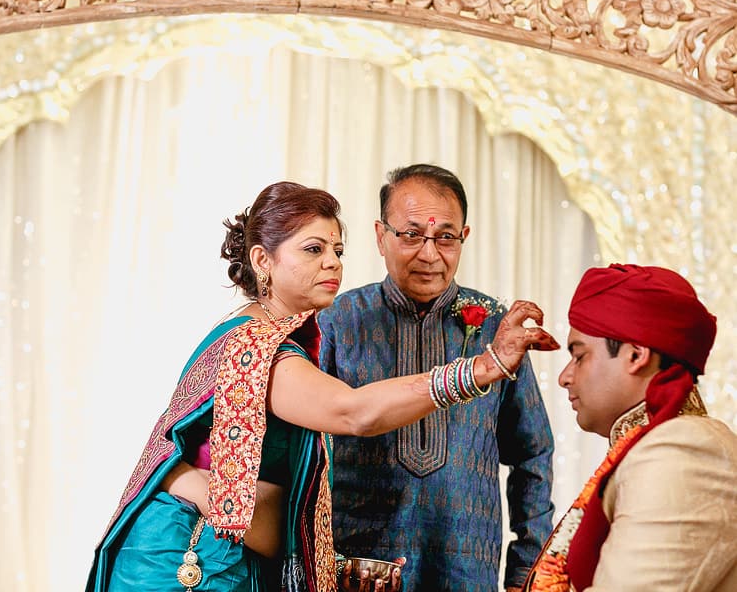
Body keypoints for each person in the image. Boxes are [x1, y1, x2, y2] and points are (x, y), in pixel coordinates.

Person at [86, 181, 560, 592]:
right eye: (313, 250)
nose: (332, 263)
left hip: (230, 553)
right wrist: (480, 369)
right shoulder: (261, 346)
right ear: (262, 260)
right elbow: (353, 412)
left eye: (337, 251)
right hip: (192, 560)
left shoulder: (270, 334)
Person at [317, 164, 556, 592]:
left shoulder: (494, 328)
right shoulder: (338, 321)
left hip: (465, 567)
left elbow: (532, 454)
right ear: (380, 236)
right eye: (411, 235)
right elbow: (303, 451)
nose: (429, 253)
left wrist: (527, 568)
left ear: (464, 238)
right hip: (357, 568)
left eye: (445, 236)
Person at [523, 263, 737, 591]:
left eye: (579, 356)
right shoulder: (651, 446)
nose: (565, 376)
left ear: (636, 356)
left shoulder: (685, 450)